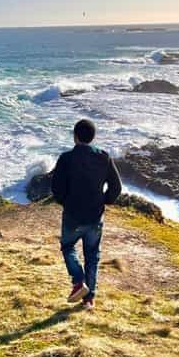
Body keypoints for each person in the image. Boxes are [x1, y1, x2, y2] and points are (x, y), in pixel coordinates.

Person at [51, 119, 122, 311]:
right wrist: (105, 200)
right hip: (95, 216)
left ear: (75, 136)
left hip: (73, 215)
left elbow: (56, 187)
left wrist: (65, 201)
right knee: (92, 256)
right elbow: (116, 187)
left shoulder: (66, 158)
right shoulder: (104, 157)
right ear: (93, 137)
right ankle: (89, 299)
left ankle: (78, 281)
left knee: (67, 247)